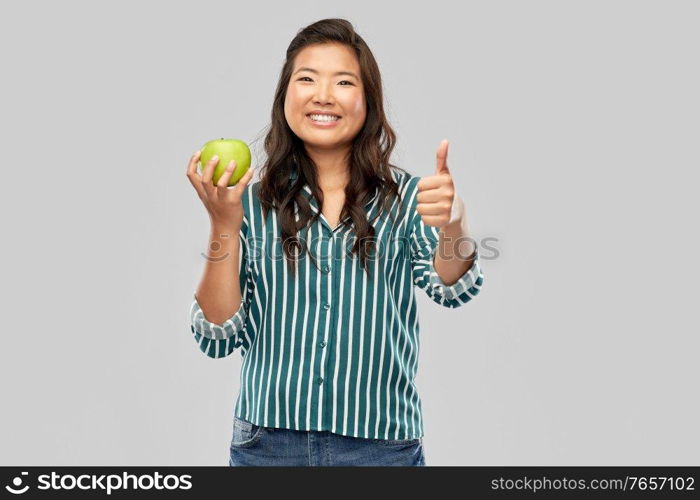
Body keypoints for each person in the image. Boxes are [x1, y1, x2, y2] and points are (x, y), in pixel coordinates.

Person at [185, 18, 485, 466]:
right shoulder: (249, 200)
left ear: (368, 102)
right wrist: (223, 224)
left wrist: (454, 225)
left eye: (343, 81)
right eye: (307, 79)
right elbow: (216, 334)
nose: (323, 95)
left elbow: (451, 287)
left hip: (381, 447)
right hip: (267, 446)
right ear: (285, 96)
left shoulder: (404, 198)